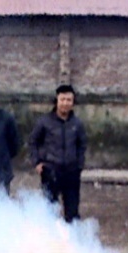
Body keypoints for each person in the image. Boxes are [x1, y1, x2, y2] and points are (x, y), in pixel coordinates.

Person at [29, 84, 88, 222]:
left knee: (72, 211)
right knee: (50, 210)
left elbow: (82, 144)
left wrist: (79, 164)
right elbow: (33, 142)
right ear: (56, 101)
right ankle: (51, 239)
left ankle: (73, 239)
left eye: (69, 100)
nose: (65, 103)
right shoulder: (44, 122)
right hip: (50, 171)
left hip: (72, 172)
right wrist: (37, 162)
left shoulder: (77, 124)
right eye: (62, 100)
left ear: (73, 103)